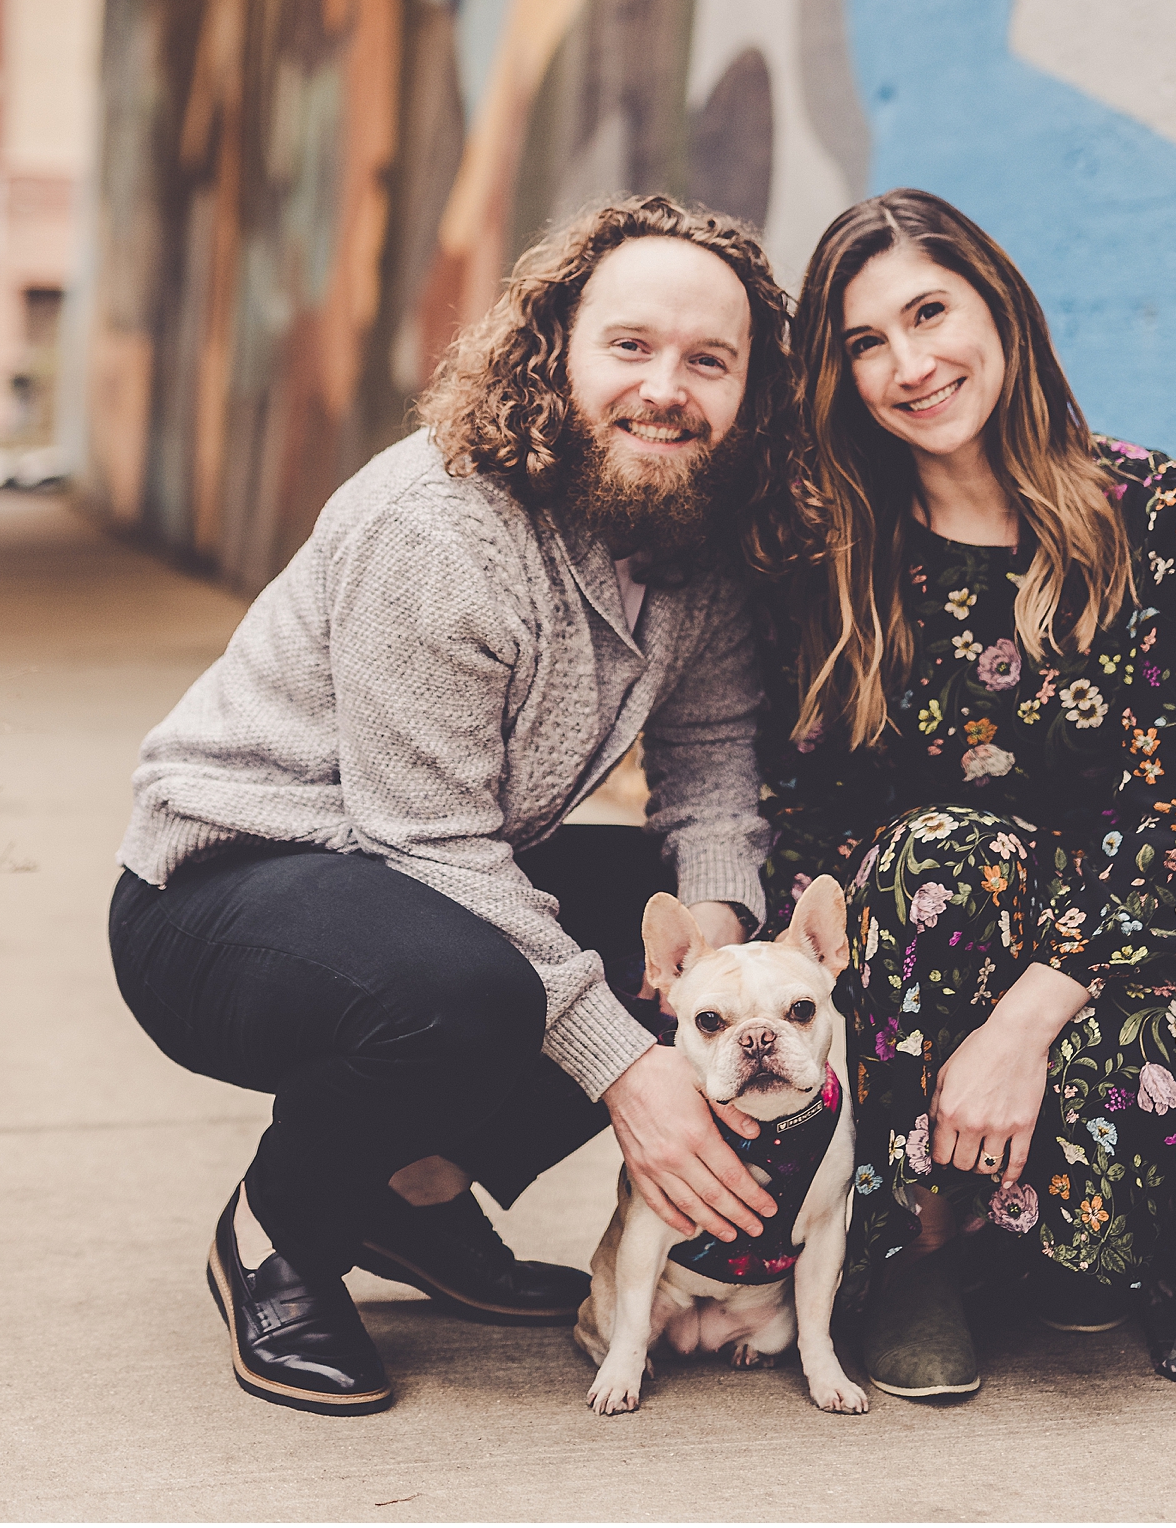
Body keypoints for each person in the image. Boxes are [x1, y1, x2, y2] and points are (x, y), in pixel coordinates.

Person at [110, 195, 803, 1416]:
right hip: (219, 900)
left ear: (752, 392)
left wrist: (718, 941)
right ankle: (278, 1232)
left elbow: (708, 760)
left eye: (710, 360)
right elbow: (425, 845)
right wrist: (631, 1074)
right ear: (557, 352)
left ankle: (414, 1194)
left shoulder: (695, 534)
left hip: (406, 886)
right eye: (630, 347)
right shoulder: (440, 529)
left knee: (644, 923)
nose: (667, 389)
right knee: (473, 987)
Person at [758, 189, 1176, 1398]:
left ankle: (1110, 1229)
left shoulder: (1155, 508)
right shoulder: (830, 553)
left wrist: (1023, 1026)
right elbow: (809, 822)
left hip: (1125, 934)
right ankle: (917, 1246)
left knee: (1086, 1236)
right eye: (865, 343)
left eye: (930, 312)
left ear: (1000, 306)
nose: (909, 365)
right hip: (917, 950)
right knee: (944, 850)